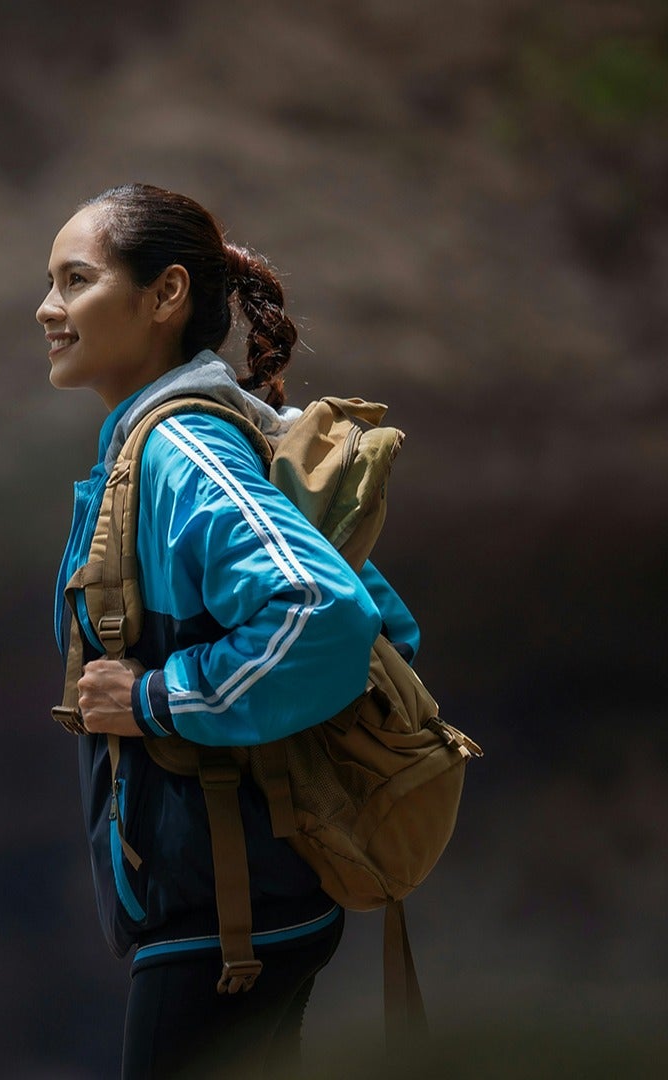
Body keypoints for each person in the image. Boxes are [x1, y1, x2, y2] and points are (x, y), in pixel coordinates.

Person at [38, 183, 423, 1078]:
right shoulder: (171, 444)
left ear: (165, 295)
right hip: (240, 906)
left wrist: (156, 697)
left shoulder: (186, 452)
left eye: (76, 279)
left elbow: (327, 614)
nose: (48, 308)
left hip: (227, 917)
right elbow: (388, 623)